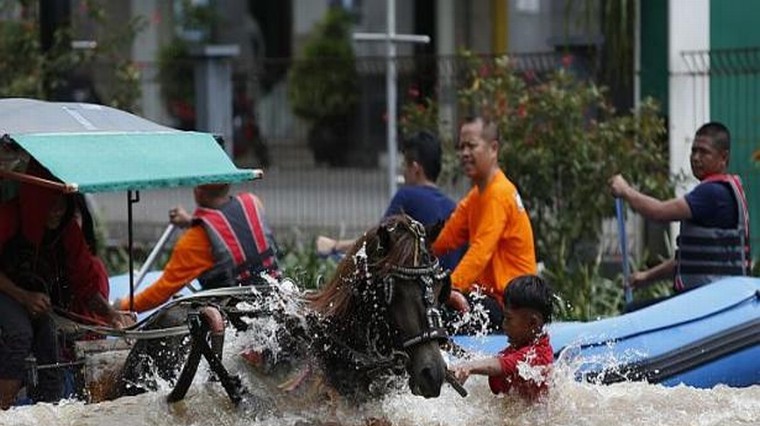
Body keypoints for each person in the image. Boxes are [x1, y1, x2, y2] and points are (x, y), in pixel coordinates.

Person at [0, 165, 134, 409]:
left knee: (50, 335)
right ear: (35, 202)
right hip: (7, 292)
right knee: (19, 333)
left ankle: (49, 411)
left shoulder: (68, 229)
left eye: (63, 203)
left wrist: (111, 315)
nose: (57, 211)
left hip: (33, 299)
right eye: (50, 203)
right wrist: (23, 296)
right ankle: (4, 410)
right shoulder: (8, 217)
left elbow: (85, 283)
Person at [609, 122, 751, 309]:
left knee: (632, 311)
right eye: (694, 151)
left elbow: (659, 212)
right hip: (711, 299)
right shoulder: (721, 190)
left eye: (704, 152)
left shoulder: (713, 193)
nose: (696, 158)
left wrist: (626, 191)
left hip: (712, 305)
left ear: (723, 157)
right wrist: (646, 276)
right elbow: (688, 261)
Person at [432, 116, 537, 328]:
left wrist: (447, 288)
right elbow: (444, 240)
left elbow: (480, 252)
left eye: (471, 146)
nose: (464, 154)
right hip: (488, 299)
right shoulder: (476, 196)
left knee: (431, 318)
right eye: (461, 147)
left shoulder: (499, 193)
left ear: (494, 148)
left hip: (512, 308)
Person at [116, 183, 280, 313]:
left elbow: (160, 292)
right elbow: (232, 229)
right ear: (228, 184)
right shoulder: (253, 202)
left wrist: (121, 306)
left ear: (198, 191)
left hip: (237, 320)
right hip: (276, 301)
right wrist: (192, 221)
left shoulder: (193, 240)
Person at [316, 129, 464, 271]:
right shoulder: (454, 208)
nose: (403, 172)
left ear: (415, 168)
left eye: (404, 165)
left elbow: (376, 242)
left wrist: (334, 246)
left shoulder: (407, 196)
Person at [450, 274, 554, 401]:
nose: (503, 324)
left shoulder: (537, 355)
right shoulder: (522, 345)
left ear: (533, 322)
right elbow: (492, 361)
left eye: (509, 318)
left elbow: (501, 364)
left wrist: (469, 367)